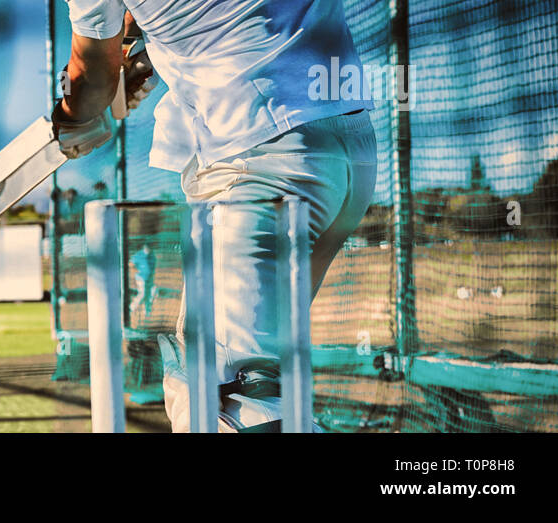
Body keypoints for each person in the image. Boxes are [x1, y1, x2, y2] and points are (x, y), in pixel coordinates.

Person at [57, 0, 377, 432]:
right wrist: (140, 50)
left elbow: (90, 76)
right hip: (349, 157)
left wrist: (73, 113)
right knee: (256, 375)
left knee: (225, 396)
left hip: (258, 164)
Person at [130, 243, 156, 320]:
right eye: (147, 247)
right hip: (141, 278)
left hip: (149, 278)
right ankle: (131, 308)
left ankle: (147, 314)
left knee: (152, 292)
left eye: (149, 247)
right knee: (143, 293)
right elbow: (131, 263)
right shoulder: (139, 255)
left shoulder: (152, 256)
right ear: (144, 247)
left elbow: (152, 268)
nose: (148, 249)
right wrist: (137, 271)